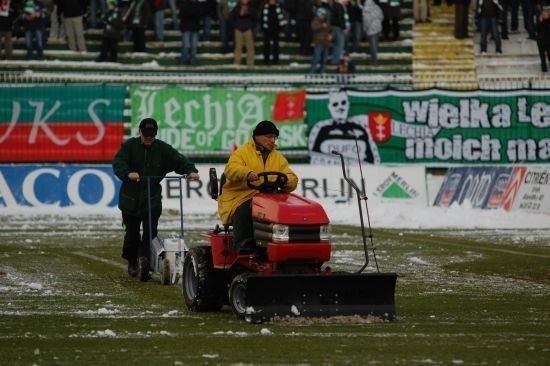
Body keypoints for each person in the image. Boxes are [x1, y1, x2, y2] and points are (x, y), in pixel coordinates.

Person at [112, 118, 200, 280]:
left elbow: (178, 160)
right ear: (140, 132)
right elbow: (118, 162)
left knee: (150, 233)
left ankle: (146, 260)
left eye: (151, 135)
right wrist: (128, 173)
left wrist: (190, 171)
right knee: (131, 233)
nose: (148, 138)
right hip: (130, 197)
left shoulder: (162, 149)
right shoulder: (130, 146)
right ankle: (132, 260)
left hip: (151, 198)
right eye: (146, 134)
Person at [217, 120, 298, 253]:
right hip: (240, 196)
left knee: (286, 210)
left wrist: (289, 181)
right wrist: (246, 173)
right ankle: (244, 246)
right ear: (257, 136)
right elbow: (231, 169)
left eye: (274, 137)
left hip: (269, 196)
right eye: (269, 136)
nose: (273, 140)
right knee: (245, 210)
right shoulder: (241, 153)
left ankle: (286, 243)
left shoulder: (278, 158)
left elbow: (290, 174)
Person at [308, 89, 381, 165]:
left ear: (348, 104)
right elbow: (313, 159)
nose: (340, 107)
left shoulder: (361, 127)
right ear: (329, 107)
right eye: (335, 104)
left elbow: (375, 160)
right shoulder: (320, 128)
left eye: (343, 103)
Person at [230, 0, 257, 66]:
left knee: (250, 47)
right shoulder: (236, 8)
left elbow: (255, 18)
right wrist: (239, 15)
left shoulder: (251, 8)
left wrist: (251, 25)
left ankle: (250, 62)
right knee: (238, 47)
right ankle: (237, 62)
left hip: (248, 29)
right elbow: (231, 18)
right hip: (238, 29)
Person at [261, 0, 287, 64]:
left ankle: (276, 60)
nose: (272, 1)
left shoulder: (279, 8)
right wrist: (263, 28)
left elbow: (282, 18)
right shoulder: (264, 8)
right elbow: (261, 19)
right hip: (267, 29)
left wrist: (280, 28)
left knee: (276, 45)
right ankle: (266, 60)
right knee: (266, 45)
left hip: (276, 29)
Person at [309, 6, 332, 73]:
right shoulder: (315, 20)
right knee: (316, 58)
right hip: (318, 42)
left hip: (326, 42)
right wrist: (321, 26)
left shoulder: (327, 21)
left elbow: (330, 30)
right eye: (322, 15)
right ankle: (311, 71)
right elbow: (313, 27)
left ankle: (322, 71)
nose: (323, 16)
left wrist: (331, 35)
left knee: (324, 59)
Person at [362, 0, 383, 65]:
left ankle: (374, 61)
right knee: (375, 46)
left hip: (371, 29)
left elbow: (366, 20)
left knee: (372, 46)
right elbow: (382, 17)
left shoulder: (365, 9)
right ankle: (374, 60)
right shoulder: (377, 7)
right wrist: (378, 23)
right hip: (378, 28)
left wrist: (365, 28)